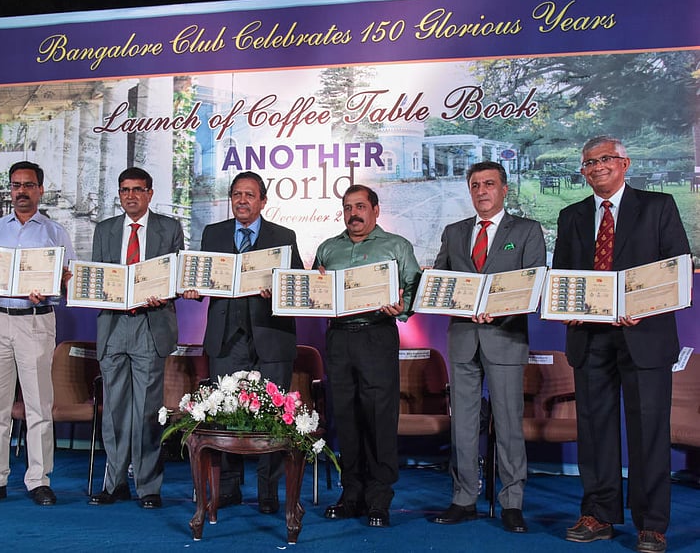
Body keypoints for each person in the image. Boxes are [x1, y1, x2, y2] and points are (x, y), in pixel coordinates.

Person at [554, 136, 689, 553]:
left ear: (625, 163)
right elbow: (562, 273)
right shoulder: (571, 215)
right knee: (595, 428)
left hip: (645, 336)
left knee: (649, 430)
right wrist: (565, 306)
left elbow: (677, 267)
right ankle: (598, 514)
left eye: (605, 159)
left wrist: (645, 307)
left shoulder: (659, 206)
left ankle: (651, 524)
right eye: (588, 162)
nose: (596, 167)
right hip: (589, 337)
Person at [430, 161, 546, 533]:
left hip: (506, 338)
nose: (482, 191)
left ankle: (512, 503)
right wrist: (446, 296)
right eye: (476, 185)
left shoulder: (527, 231)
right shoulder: (454, 232)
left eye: (489, 184)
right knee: (463, 425)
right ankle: (464, 498)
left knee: (509, 424)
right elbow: (441, 282)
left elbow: (535, 284)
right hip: (463, 339)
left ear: (504, 189)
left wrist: (499, 310)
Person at [182, 171, 304, 514]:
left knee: (273, 417)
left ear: (262, 201)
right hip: (225, 338)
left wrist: (278, 290)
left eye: (250, 195)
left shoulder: (284, 237)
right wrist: (192, 289)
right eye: (237, 194)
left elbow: (296, 286)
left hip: (271, 337)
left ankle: (268, 492)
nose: (242, 200)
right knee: (225, 414)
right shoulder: (213, 233)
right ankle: (229, 488)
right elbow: (203, 279)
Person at [0, 161, 75, 507]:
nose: (21, 192)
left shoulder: (55, 233)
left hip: (35, 320)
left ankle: (38, 480)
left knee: (38, 406)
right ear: (10, 190)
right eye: (16, 185)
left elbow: (67, 281)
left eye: (28, 185)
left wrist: (53, 288)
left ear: (40, 190)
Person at [313, 184, 421, 528]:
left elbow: (415, 287)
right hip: (339, 337)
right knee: (345, 417)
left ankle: (378, 498)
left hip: (377, 334)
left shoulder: (396, 246)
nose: (353, 214)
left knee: (378, 417)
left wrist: (402, 307)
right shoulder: (328, 248)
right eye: (347, 207)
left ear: (375, 210)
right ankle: (350, 494)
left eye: (360, 206)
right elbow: (314, 290)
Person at [88, 167, 184, 509]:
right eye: (125, 190)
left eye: (137, 190)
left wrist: (166, 293)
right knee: (114, 410)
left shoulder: (169, 228)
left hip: (150, 324)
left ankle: (148, 487)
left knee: (146, 411)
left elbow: (176, 277)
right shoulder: (105, 230)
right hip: (113, 326)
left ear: (149, 194)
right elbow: (98, 278)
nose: (131, 196)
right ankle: (114, 483)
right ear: (119, 194)